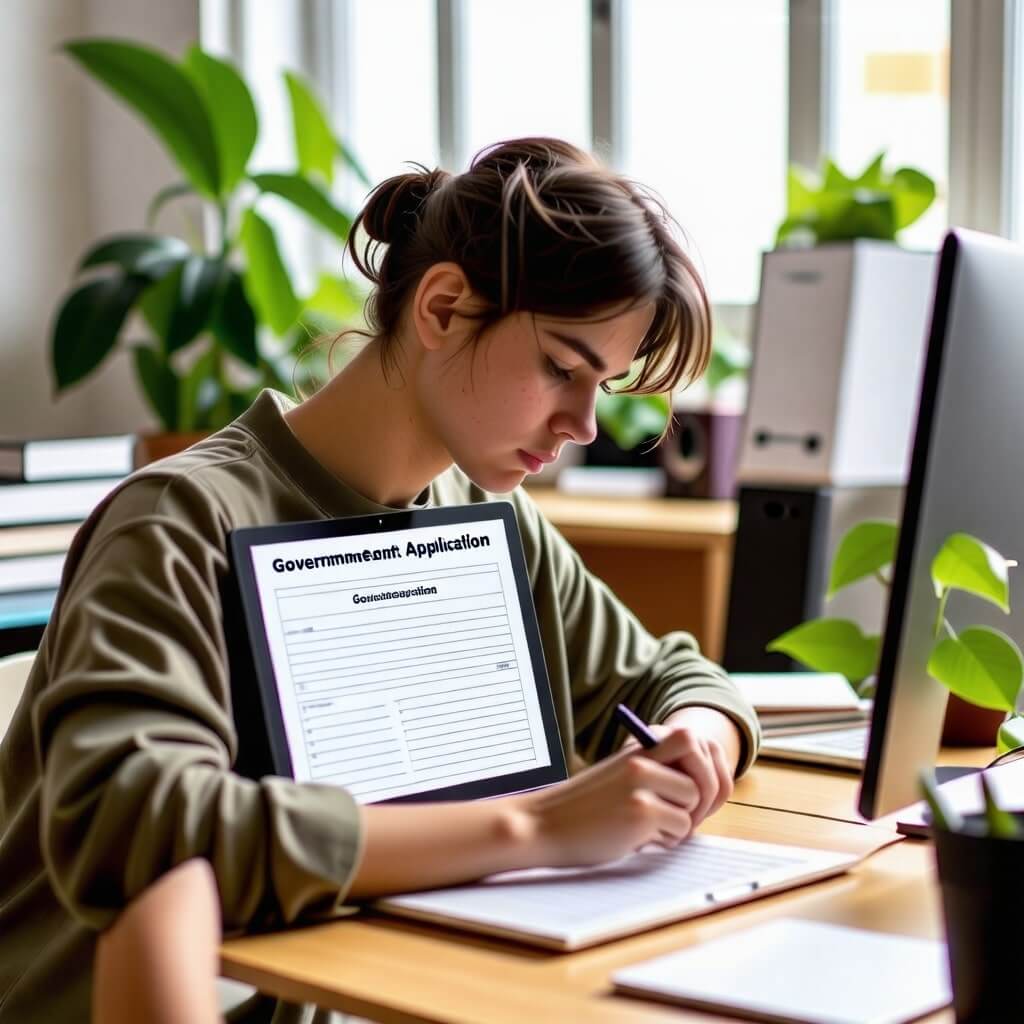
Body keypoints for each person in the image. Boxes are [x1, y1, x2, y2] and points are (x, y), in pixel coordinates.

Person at [0, 137, 759, 1023]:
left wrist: (699, 737)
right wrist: (535, 830)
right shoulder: (179, 521)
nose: (585, 423)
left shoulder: (484, 518)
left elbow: (668, 675)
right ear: (441, 306)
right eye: (562, 366)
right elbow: (135, 823)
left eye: (603, 383)